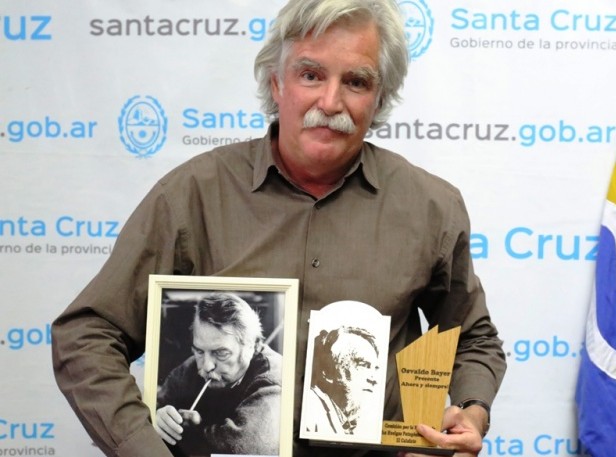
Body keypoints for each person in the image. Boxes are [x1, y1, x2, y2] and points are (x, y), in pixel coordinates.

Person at [51, 0, 507, 456]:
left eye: (356, 81)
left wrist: (471, 410)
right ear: (276, 83)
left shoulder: (431, 207)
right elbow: (87, 334)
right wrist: (142, 445)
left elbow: (473, 337)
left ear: (380, 97)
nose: (330, 103)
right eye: (311, 75)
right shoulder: (192, 195)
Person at [155, 292, 282, 456]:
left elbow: (240, 448)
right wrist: (159, 418)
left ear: (253, 345)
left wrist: (186, 432)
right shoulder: (194, 365)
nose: (207, 366)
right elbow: (151, 409)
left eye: (221, 353)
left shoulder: (273, 379)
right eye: (199, 351)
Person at [305, 326, 381, 436]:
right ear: (327, 371)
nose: (374, 379)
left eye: (376, 368)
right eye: (363, 365)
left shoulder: (356, 422)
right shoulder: (310, 412)